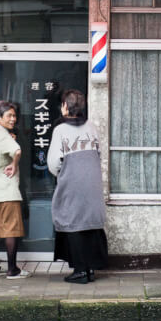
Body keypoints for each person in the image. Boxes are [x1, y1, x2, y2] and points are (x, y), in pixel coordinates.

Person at [48, 88, 107, 284]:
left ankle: (80, 271)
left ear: (65, 106)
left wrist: (63, 174)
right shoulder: (91, 126)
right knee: (89, 224)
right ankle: (89, 269)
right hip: (93, 183)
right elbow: (99, 154)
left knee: (73, 222)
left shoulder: (60, 130)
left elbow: (54, 163)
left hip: (72, 182)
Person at [0, 100, 30, 279]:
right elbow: (17, 151)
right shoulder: (3, 135)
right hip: (5, 187)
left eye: (14, 115)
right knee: (11, 228)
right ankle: (12, 269)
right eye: (9, 115)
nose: (13, 119)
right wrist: (15, 165)